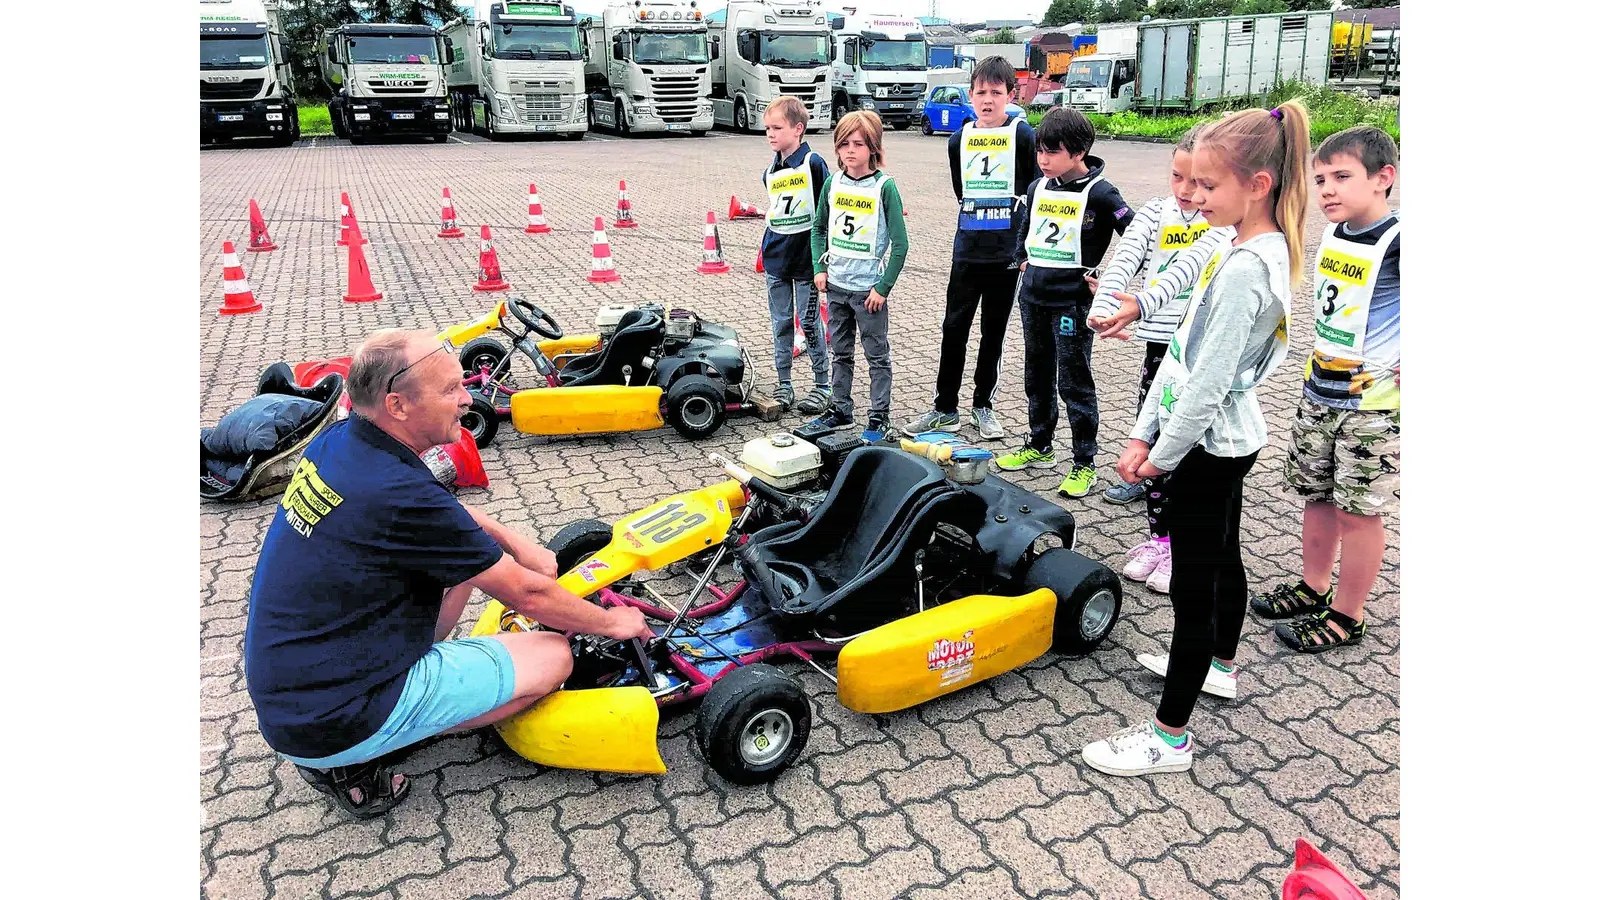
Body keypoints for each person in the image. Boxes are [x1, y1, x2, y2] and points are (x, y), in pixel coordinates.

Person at [243, 329, 653, 818]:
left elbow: (450, 521)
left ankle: (395, 713)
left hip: (298, 688)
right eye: (450, 391)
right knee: (554, 656)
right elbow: (527, 595)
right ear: (396, 405)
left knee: (465, 564)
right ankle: (364, 757)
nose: (468, 399)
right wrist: (613, 623)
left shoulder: (343, 444)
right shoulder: (397, 492)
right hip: (333, 718)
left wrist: (519, 543)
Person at [1080, 102, 1311, 777]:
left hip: (1211, 445)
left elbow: (1205, 385)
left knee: (1194, 589)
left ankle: (1169, 737)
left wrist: (1158, 455)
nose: (1193, 197)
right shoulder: (1232, 244)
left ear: (1259, 184)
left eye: (1208, 186)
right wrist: (1139, 429)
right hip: (1223, 439)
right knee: (1224, 562)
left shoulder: (1245, 268)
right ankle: (1220, 667)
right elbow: (1181, 349)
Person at [1249, 126, 1400, 653]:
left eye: (1342, 177)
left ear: (1384, 179)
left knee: (1358, 510)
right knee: (1315, 494)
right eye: (1320, 180)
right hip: (1320, 390)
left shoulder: (1399, 241)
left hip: (1372, 408)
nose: (1328, 190)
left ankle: (1348, 615)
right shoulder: (1335, 234)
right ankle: (1315, 586)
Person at [1086, 126, 1236, 594]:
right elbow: (1126, 257)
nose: (1188, 191)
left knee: (1188, 450)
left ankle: (1186, 547)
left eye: (1199, 181)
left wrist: (1137, 304)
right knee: (1148, 440)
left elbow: (1186, 268)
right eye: (1178, 177)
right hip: (1160, 351)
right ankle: (1160, 539)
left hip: (1201, 352)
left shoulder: (1223, 223)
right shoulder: (1154, 211)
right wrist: (1102, 308)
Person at [996, 106, 1132, 498]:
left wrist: (1107, 280)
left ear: (1078, 152)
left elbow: (1136, 236)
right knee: (1036, 374)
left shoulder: (1101, 192)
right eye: (1040, 151)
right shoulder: (1039, 186)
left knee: (1073, 381)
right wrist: (1020, 260)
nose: (1043, 160)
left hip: (1071, 304)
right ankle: (1040, 445)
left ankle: (1084, 462)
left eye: (1051, 152)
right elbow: (1024, 231)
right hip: (1033, 297)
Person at [904, 56, 1037, 441]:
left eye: (997, 93)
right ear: (971, 95)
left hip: (1007, 254)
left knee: (993, 332)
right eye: (981, 93)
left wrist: (1024, 249)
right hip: (967, 250)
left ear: (1010, 95)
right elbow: (961, 191)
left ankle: (983, 405)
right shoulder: (958, 139)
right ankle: (944, 409)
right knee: (953, 329)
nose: (988, 100)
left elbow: (1032, 189)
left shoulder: (1023, 135)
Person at [807, 110, 909, 443]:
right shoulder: (832, 183)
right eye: (844, 144)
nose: (850, 151)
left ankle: (879, 417)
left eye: (859, 144)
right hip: (836, 287)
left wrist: (883, 287)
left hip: (868, 292)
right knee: (841, 352)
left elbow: (900, 244)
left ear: (873, 147)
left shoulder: (885, 187)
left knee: (877, 356)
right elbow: (819, 227)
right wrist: (819, 268)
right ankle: (840, 409)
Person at [759, 95, 833, 416]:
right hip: (776, 258)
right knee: (781, 322)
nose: (771, 134)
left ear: (798, 129)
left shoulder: (813, 164)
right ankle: (784, 382)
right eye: (767, 129)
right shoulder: (770, 169)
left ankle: (822, 385)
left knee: (810, 321)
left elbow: (825, 210)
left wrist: (825, 259)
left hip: (806, 262)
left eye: (777, 128)